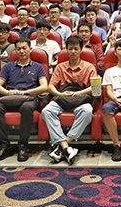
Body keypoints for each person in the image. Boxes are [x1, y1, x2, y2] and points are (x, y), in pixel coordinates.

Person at [42, 36, 98, 164]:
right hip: (62, 99)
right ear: (66, 50)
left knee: (87, 111)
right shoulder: (60, 67)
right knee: (46, 111)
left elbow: (95, 89)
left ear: (81, 49)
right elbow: (51, 86)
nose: (73, 51)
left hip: (81, 100)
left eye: (76, 49)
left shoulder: (89, 67)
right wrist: (60, 94)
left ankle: (62, 146)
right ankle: (66, 148)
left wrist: (77, 93)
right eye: (70, 49)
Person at [0, 37, 48, 162]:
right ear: (15, 51)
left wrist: (24, 92)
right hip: (10, 98)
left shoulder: (38, 67)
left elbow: (44, 86)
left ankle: (23, 145)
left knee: (26, 108)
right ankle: (4, 145)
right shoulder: (8, 66)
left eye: (24, 48)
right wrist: (8, 92)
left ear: (30, 49)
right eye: (18, 49)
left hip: (29, 99)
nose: (21, 51)